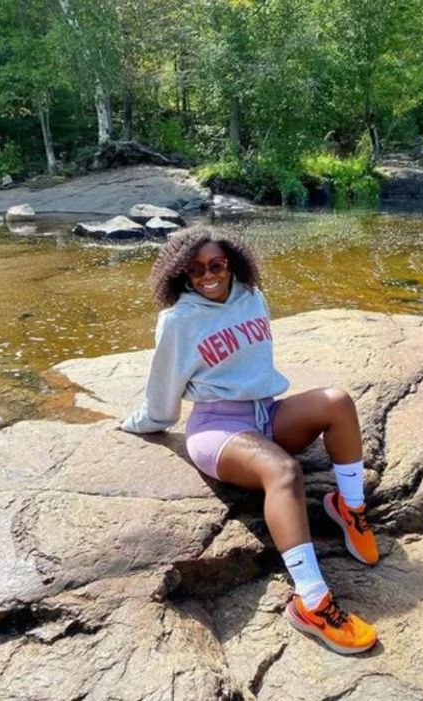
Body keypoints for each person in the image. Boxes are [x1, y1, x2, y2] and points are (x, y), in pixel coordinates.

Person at [122, 227, 379, 655]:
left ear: (232, 263)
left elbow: (256, 370)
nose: (208, 275)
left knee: (337, 401)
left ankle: (349, 509)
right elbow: (163, 397)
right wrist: (142, 423)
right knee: (283, 471)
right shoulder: (178, 321)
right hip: (218, 430)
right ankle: (312, 602)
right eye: (196, 268)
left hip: (267, 414)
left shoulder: (252, 296)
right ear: (180, 273)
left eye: (217, 265)